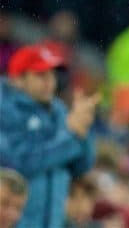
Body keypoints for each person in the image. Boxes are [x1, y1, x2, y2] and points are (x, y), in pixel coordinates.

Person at [0, 43, 99, 228]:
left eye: (51, 74)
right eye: (40, 75)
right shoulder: (5, 110)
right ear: (18, 79)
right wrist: (71, 136)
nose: (49, 81)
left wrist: (83, 133)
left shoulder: (59, 112)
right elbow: (20, 163)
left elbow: (81, 167)